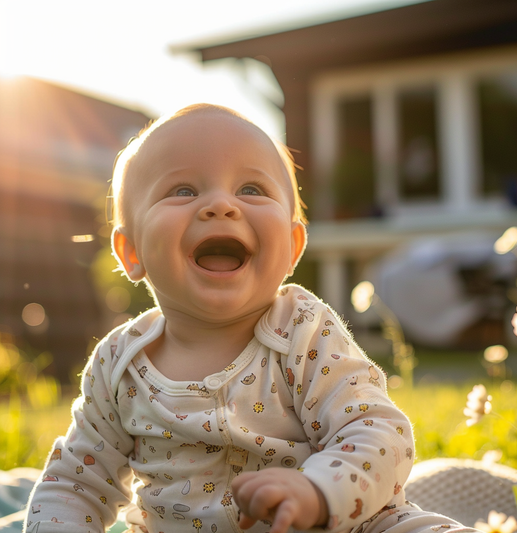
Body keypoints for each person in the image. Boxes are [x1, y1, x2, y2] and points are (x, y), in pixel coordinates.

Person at [24, 104, 476, 533]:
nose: (221, 205)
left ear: (294, 246)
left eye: (251, 189)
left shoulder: (303, 331)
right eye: (182, 190)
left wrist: (318, 489)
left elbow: (379, 431)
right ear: (132, 252)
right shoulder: (118, 364)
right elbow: (74, 484)